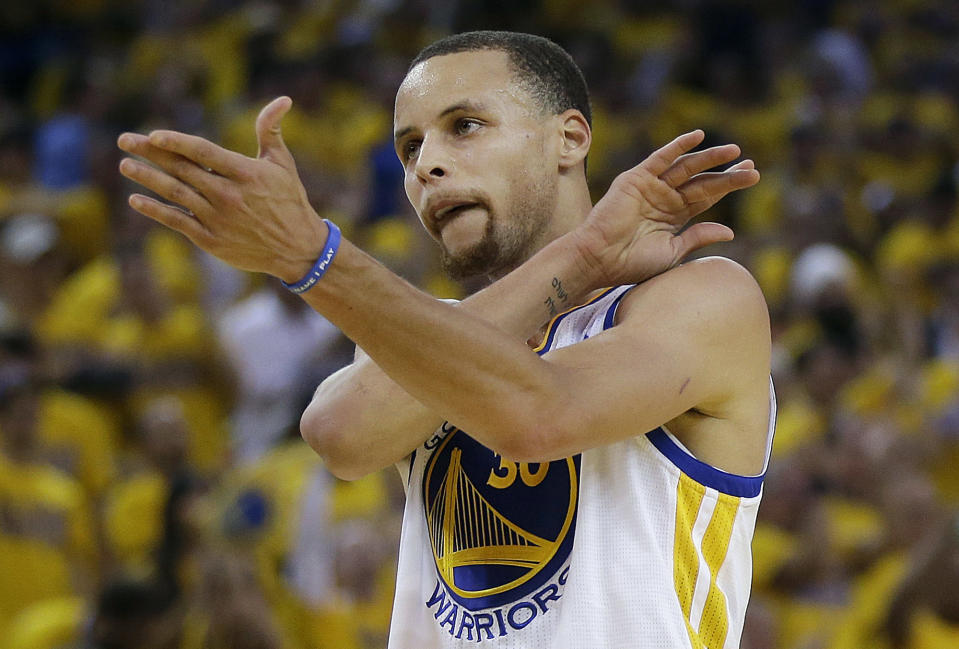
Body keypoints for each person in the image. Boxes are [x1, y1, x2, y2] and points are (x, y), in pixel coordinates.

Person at [118, 30, 772, 649]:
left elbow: (538, 417)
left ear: (567, 139)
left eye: (464, 126)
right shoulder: (423, 331)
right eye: (409, 149)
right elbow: (340, 433)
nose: (426, 164)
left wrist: (311, 255)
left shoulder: (702, 299)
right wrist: (585, 255)